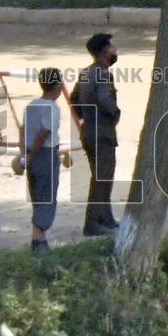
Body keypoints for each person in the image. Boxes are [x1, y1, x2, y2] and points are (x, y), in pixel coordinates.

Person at [70, 33, 120, 236]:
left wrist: (85, 119)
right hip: (103, 132)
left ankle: (106, 218)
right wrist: (115, 114)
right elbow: (106, 100)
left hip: (89, 131)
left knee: (101, 176)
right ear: (103, 52)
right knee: (103, 179)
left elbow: (74, 100)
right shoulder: (103, 74)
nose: (115, 50)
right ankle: (92, 224)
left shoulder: (85, 73)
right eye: (111, 47)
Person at [21, 68, 63, 251]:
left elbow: (23, 129)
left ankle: (38, 238)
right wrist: (32, 154)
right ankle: (38, 241)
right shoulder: (53, 108)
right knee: (47, 196)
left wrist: (24, 155)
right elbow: (43, 134)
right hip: (45, 154)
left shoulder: (31, 105)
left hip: (30, 153)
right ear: (58, 86)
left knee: (37, 195)